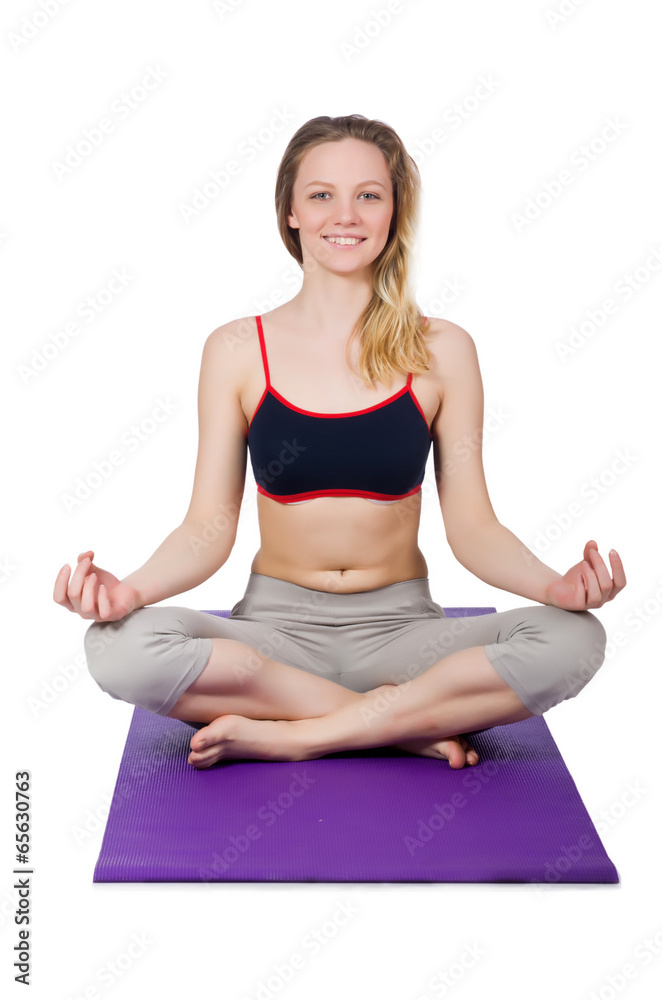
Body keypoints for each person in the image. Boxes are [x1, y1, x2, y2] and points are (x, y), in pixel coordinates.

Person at [53, 114, 625, 770]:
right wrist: (129, 592)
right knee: (116, 645)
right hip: (275, 637)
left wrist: (557, 588)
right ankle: (397, 723)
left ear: (394, 210)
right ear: (291, 212)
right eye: (321, 194)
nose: (345, 214)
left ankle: (301, 733)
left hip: (404, 637)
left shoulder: (443, 349)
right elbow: (207, 527)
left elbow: (474, 528)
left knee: (574, 639)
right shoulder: (238, 349)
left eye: (369, 195)